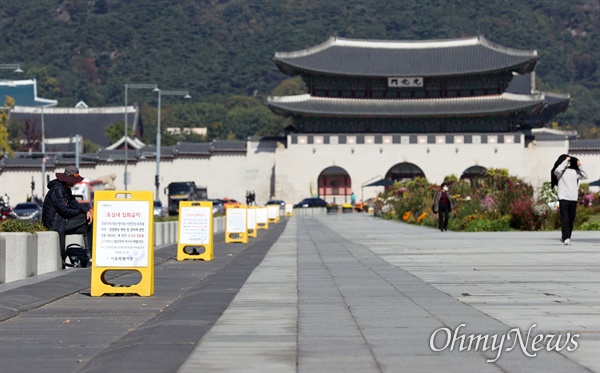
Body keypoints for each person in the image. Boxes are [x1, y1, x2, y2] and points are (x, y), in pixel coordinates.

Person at [42, 166, 93, 268]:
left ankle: (90, 257)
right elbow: (64, 211)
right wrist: (82, 212)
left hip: (61, 221)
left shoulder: (65, 189)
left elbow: (74, 203)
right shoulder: (58, 190)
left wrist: (86, 210)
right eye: (74, 180)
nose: (75, 182)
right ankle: (90, 257)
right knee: (85, 220)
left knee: (88, 223)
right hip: (55, 223)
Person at [552, 154, 587, 245]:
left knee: (571, 218)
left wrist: (580, 166)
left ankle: (566, 237)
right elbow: (556, 170)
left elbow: (585, 176)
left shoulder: (575, 172)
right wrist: (565, 161)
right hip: (563, 198)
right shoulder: (560, 173)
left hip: (573, 198)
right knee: (565, 219)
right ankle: (566, 238)